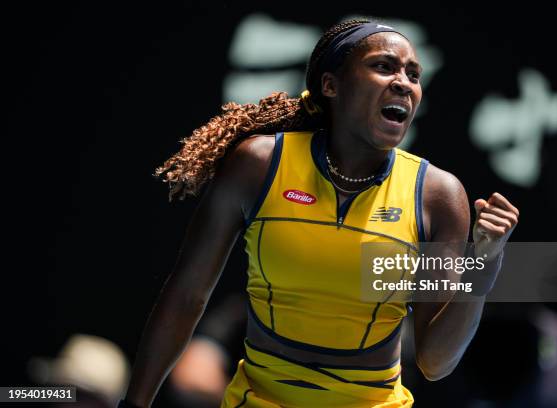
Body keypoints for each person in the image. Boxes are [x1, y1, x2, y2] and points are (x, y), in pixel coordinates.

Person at [120, 18, 519, 408]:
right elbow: (186, 295)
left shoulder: (439, 195)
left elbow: (435, 362)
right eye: (383, 66)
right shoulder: (259, 164)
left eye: (414, 75)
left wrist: (484, 265)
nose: (404, 83)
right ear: (331, 85)